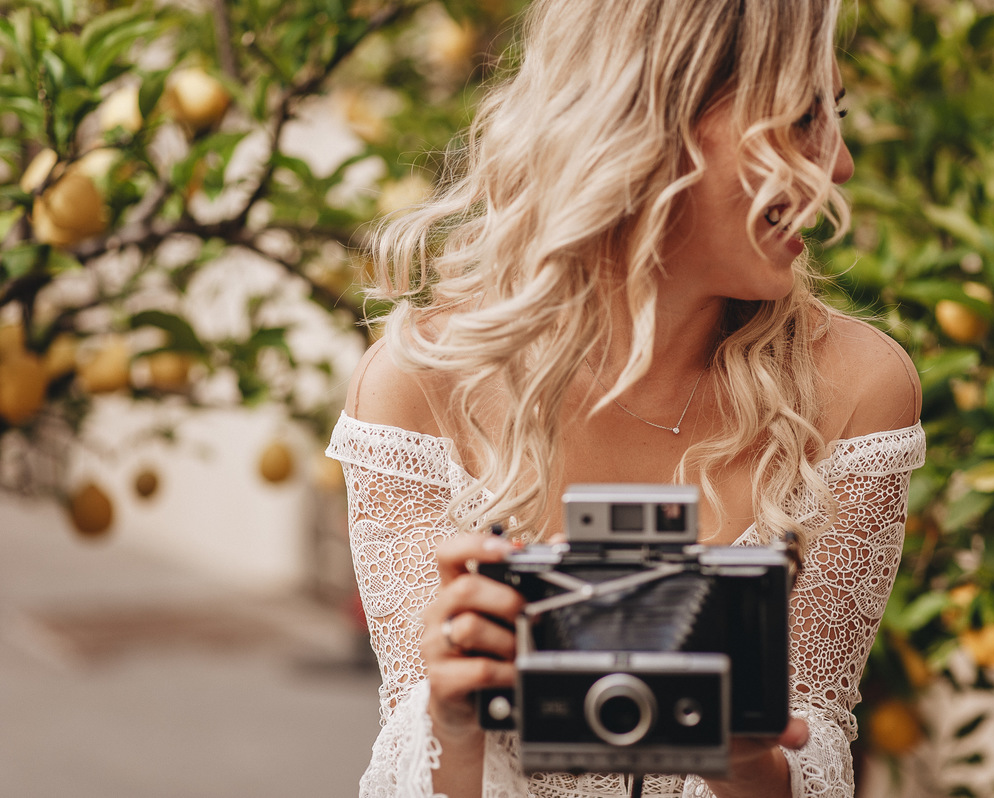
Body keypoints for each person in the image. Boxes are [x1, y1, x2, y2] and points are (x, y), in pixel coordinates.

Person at [326, 0, 925, 795]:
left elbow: (818, 760)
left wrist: (745, 756)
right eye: (804, 117)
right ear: (657, 116)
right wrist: (450, 718)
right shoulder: (420, 386)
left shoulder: (855, 392)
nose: (839, 164)